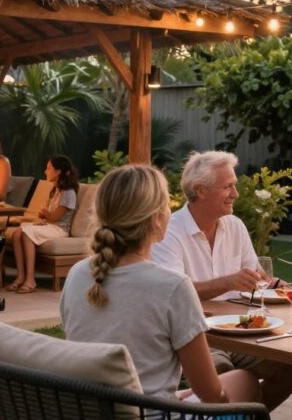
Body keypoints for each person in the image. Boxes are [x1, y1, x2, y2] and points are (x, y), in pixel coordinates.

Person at [61, 164, 260, 404]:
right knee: (244, 383)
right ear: (156, 219)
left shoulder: (77, 274)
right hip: (151, 412)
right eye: (167, 205)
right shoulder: (172, 287)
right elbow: (212, 395)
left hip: (95, 409)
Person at [151, 150, 292, 411]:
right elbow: (174, 294)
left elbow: (255, 277)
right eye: (228, 187)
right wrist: (229, 282)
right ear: (200, 191)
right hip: (198, 336)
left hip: (240, 330)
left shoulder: (234, 226)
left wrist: (275, 284)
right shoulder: (170, 232)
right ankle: (237, 413)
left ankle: (246, 416)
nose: (236, 194)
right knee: (222, 371)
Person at [5, 155, 78, 294]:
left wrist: (44, 212)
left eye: (49, 168)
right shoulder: (56, 190)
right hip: (48, 225)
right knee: (16, 234)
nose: (45, 171)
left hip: (59, 229)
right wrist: (44, 214)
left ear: (58, 172)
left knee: (26, 233)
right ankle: (20, 276)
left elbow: (55, 217)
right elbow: (47, 215)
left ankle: (30, 280)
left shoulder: (69, 193)